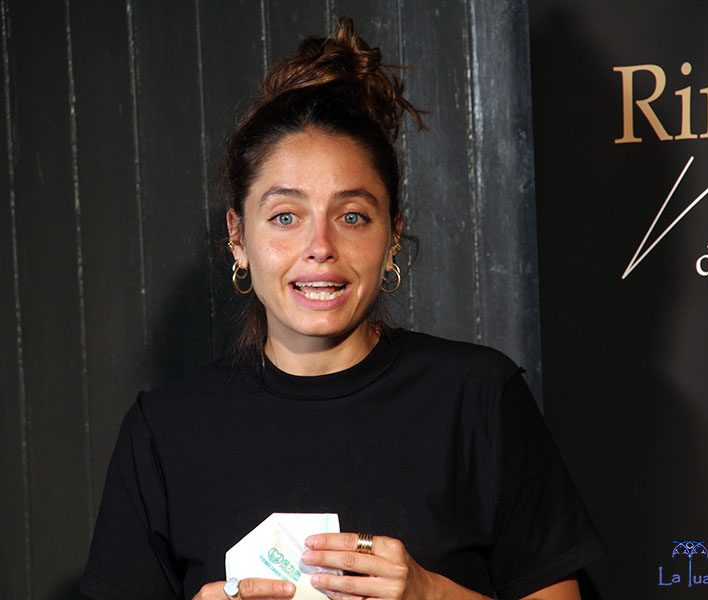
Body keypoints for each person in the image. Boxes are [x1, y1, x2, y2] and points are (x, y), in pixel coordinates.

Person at [81, 17, 603, 600]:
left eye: (352, 216)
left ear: (392, 235)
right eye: (285, 216)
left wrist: (430, 594)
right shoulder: (163, 432)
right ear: (238, 236)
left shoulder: (478, 397)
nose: (320, 246)